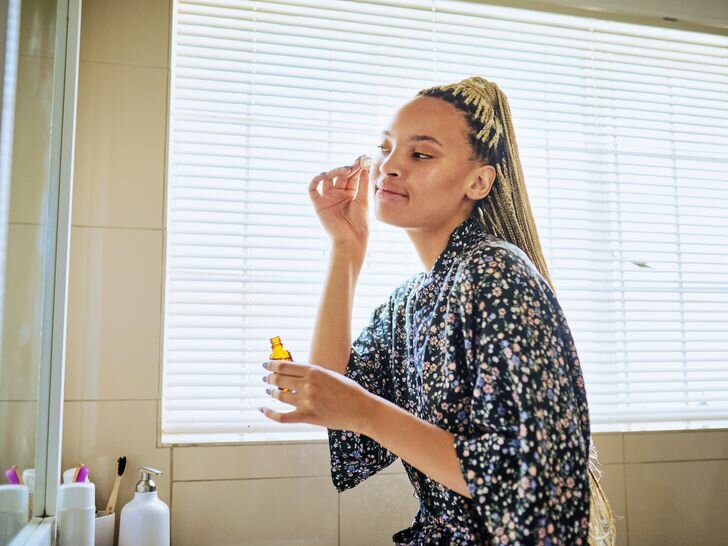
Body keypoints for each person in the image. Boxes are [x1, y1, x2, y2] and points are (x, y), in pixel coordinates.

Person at [260, 76, 615, 545]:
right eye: (385, 148)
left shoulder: (496, 273)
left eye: (420, 154)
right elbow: (333, 401)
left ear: (478, 180)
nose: (389, 166)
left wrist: (365, 411)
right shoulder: (410, 302)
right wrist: (346, 248)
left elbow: (527, 480)